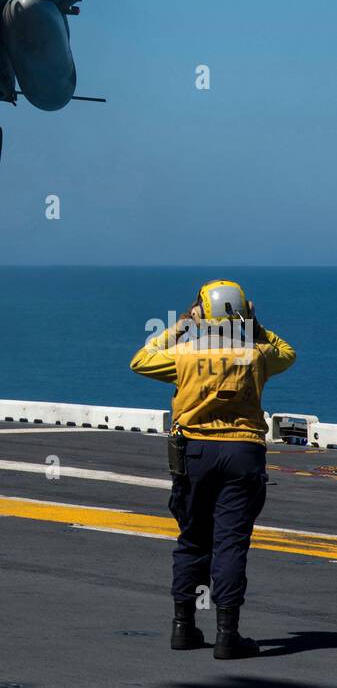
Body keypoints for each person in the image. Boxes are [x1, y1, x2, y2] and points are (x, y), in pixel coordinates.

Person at [130, 279, 296, 659]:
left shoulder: (184, 355)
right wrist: (254, 325)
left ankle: (183, 628)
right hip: (242, 452)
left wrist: (183, 325)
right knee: (231, 543)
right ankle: (227, 634)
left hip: (196, 453)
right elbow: (287, 353)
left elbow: (140, 359)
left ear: (201, 312)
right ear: (243, 312)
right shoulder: (256, 355)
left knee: (192, 539)